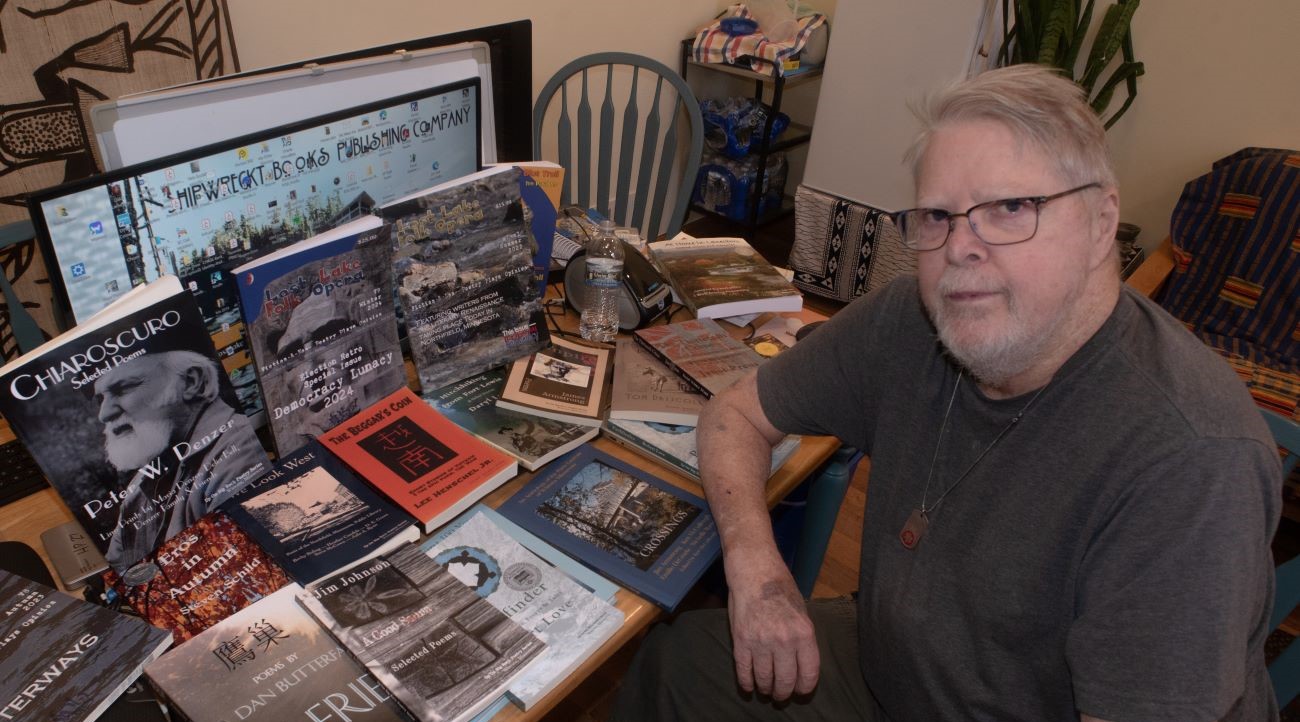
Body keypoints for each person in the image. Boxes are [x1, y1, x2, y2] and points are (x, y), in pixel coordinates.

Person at [611, 65, 1282, 722]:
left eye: (1011, 207)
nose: (960, 246)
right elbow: (734, 415)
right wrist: (757, 573)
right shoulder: (911, 317)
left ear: (1102, 222)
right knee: (676, 664)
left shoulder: (1191, 466)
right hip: (898, 664)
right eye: (936, 216)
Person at [97, 349, 269, 572]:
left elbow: (243, 570)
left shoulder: (241, 449)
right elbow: (123, 575)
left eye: (124, 388)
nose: (104, 413)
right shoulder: (140, 488)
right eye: (100, 398)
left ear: (192, 382)